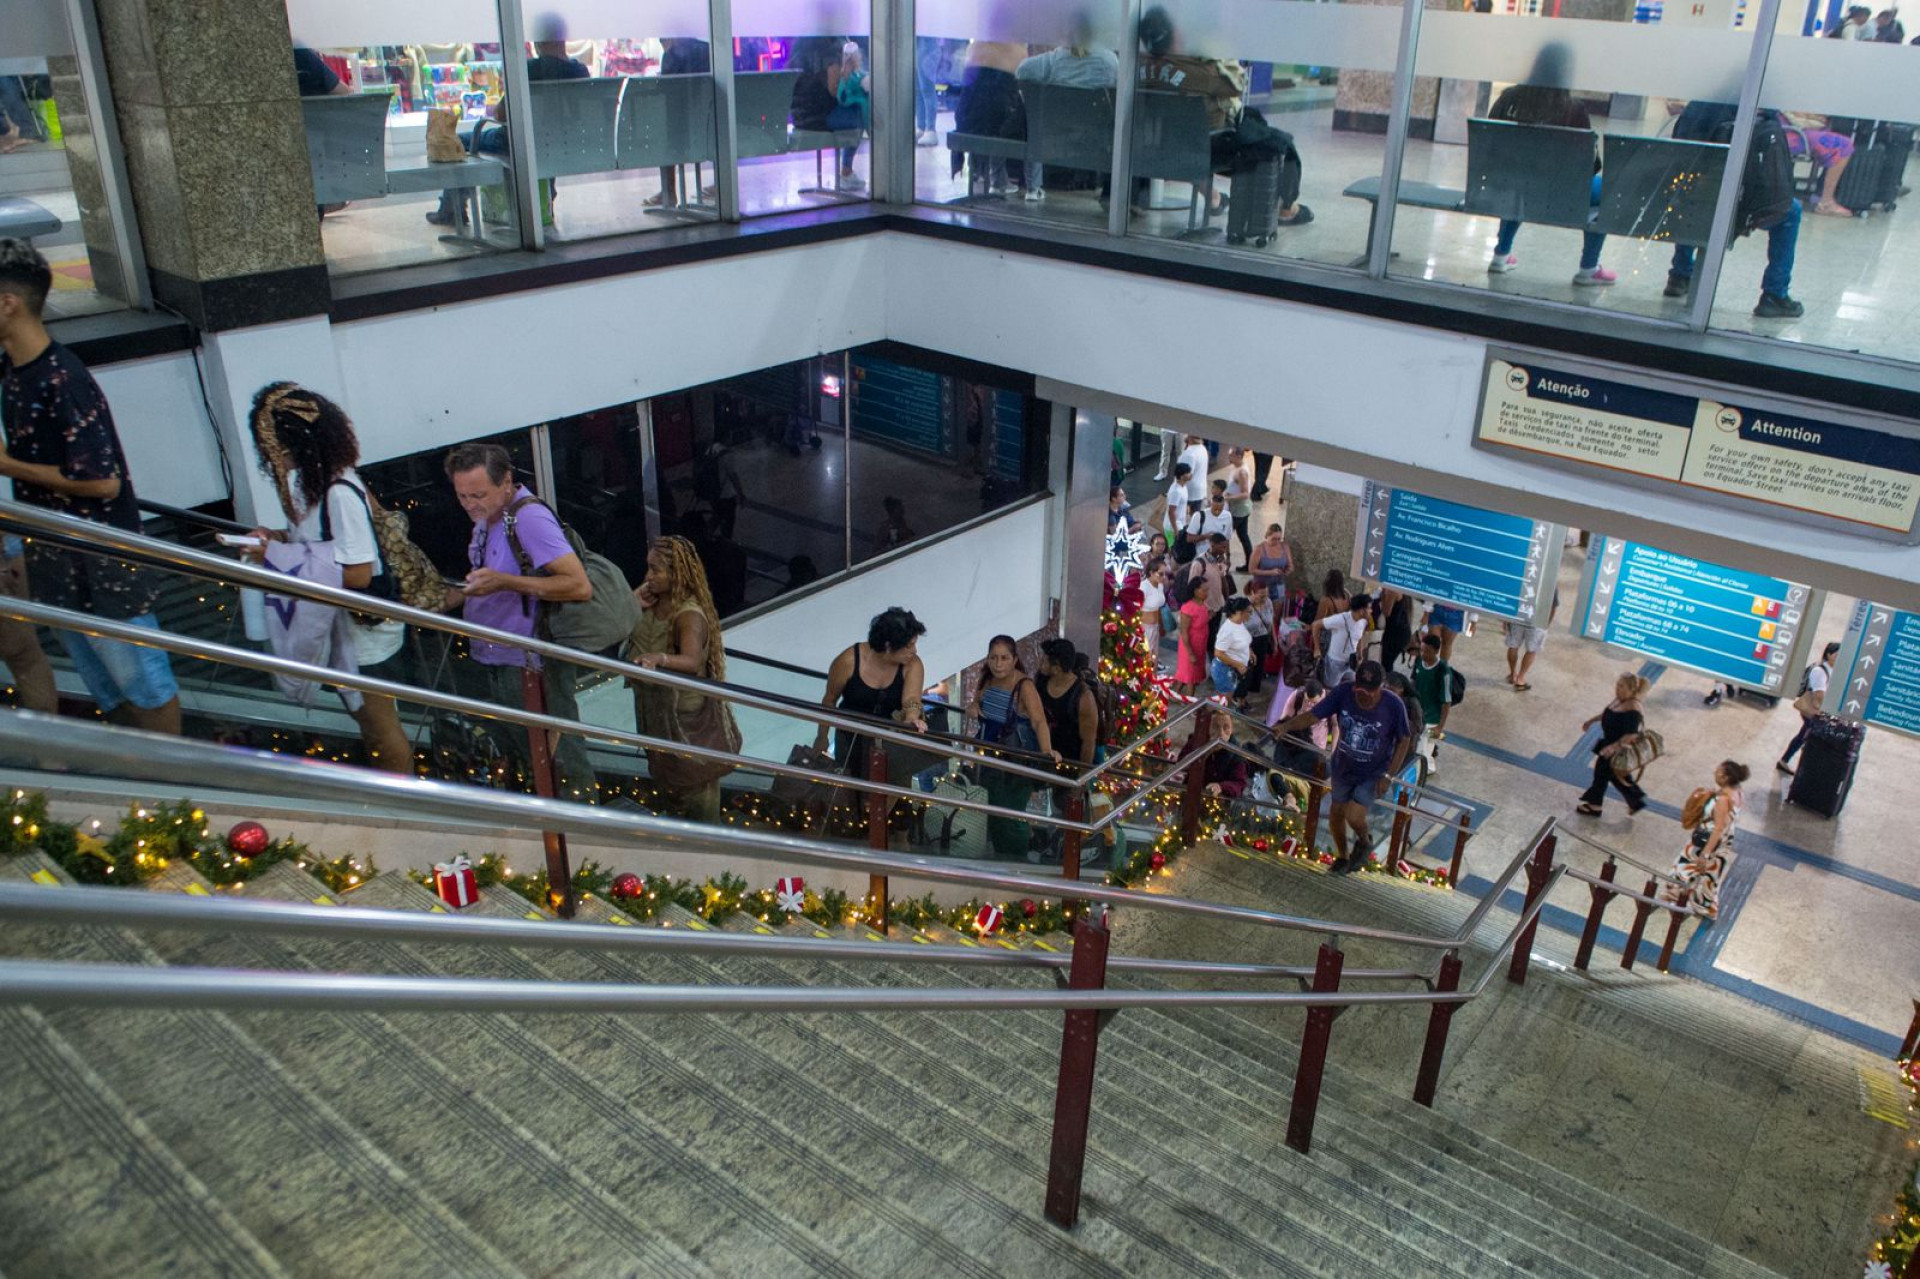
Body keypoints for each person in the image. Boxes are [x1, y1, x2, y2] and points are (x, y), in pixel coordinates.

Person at [0, 240, 180, 734]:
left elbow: (103, 482)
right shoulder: (13, 374)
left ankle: (179, 795)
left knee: (144, 684)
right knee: (108, 688)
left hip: (103, 570)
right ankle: (143, 790)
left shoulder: (63, 380)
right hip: (57, 565)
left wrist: (8, 467)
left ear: (8, 303)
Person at [245, 382, 413, 773]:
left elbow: (356, 573)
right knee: (367, 721)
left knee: (378, 724)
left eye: (273, 446)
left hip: (364, 633)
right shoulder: (311, 485)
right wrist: (278, 538)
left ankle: (402, 801)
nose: (269, 456)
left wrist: (277, 554)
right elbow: (320, 545)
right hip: (341, 627)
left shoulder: (338, 491)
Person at [442, 442, 598, 799]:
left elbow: (578, 585)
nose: (469, 504)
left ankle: (582, 830)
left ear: (506, 481)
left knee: (558, 756)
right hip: (500, 657)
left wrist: (505, 583)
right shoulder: (488, 518)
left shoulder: (529, 518)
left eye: (478, 494)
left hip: (530, 664)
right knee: (529, 753)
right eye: (462, 495)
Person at [1136, 6, 1312, 226]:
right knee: (1281, 143)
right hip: (1210, 147)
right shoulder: (1200, 73)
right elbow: (1238, 84)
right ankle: (1286, 209)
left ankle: (1214, 199)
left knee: (1250, 120)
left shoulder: (1137, 67)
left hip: (1158, 145)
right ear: (1174, 34)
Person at [1483, 45, 1616, 286]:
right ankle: (1589, 267)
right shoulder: (1573, 109)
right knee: (1607, 190)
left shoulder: (1508, 99)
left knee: (1521, 182)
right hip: (1559, 194)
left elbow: (1491, 150)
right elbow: (1589, 166)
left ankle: (1501, 255)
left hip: (1510, 186)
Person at [627, 536, 734, 823]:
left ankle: (706, 856)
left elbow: (693, 660)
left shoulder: (688, 613)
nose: (649, 576)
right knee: (668, 786)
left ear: (677, 574)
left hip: (684, 719)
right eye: (648, 568)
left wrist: (660, 659)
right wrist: (632, 602)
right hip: (656, 712)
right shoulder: (650, 602)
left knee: (697, 793)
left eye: (656, 570)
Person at [1666, 100, 1805, 319]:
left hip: (1681, 201)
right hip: (1728, 206)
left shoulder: (1696, 105)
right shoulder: (1758, 113)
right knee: (1792, 211)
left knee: (1694, 197)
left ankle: (1680, 274)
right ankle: (1774, 294)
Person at [1271, 659, 1410, 874]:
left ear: (1380, 688)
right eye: (1360, 690)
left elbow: (1404, 740)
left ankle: (1364, 841)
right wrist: (1286, 726)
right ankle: (1343, 857)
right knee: (1336, 814)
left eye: (1370, 692)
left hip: (1373, 772)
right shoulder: (1343, 693)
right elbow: (1313, 715)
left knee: (1353, 814)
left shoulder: (1394, 705)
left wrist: (1389, 776)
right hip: (1343, 766)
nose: (1364, 696)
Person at [969, 635, 1058, 858]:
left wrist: (1047, 751)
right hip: (990, 758)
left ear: (1014, 659)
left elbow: (1039, 721)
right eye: (993, 658)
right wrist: (973, 705)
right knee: (995, 812)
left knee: (1010, 814)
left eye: (1004, 658)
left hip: (1015, 761)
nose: (998, 664)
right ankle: (1003, 857)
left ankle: (1017, 859)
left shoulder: (1024, 685)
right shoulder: (987, 679)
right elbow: (980, 702)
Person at [817, 607, 928, 781]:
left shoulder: (912, 664)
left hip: (890, 744)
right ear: (888, 646)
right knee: (848, 792)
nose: (914, 651)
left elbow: (912, 699)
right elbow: (829, 700)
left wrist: (912, 717)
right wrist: (821, 737)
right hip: (850, 739)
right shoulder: (848, 661)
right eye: (909, 646)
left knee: (890, 795)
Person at [1015, 25, 1120, 200]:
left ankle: (1034, 186)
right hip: (1098, 132)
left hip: (1056, 129)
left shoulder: (1054, 59)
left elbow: (1022, 70)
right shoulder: (1109, 60)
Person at [1663, 760, 1749, 921]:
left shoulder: (1723, 799)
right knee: (1709, 877)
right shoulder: (1737, 792)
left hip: (1707, 842)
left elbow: (1717, 828)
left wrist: (1705, 854)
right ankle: (1703, 906)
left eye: (1718, 771)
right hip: (1724, 843)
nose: (1714, 772)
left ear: (1725, 777)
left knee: (1682, 869)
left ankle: (1673, 900)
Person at [950, 39, 1027, 195]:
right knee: (1014, 118)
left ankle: (980, 172)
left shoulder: (974, 47)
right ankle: (1001, 179)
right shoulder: (1017, 51)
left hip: (966, 123)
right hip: (1000, 127)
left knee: (988, 114)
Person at [1576, 672, 1651, 816]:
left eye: (1621, 686)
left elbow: (1631, 734)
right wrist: (1591, 720)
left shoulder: (1633, 709)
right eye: (1617, 685)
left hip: (1617, 748)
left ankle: (1595, 806)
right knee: (1614, 776)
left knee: (1602, 775)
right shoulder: (1620, 700)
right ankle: (1636, 800)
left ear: (1631, 690)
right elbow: (1607, 713)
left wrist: (1612, 748)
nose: (1617, 688)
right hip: (1608, 743)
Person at [0, 537, 53, 713]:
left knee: (23, 654)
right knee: (25, 656)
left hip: (7, 552)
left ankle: (44, 730)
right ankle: (44, 731)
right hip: (8, 550)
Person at [1777, 640, 1842, 775]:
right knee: (1808, 738)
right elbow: (1819, 695)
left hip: (1817, 711)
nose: (1838, 659)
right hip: (1812, 710)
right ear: (1829, 654)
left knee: (1804, 736)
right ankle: (1798, 766)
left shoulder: (1831, 670)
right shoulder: (1820, 671)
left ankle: (1785, 761)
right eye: (1836, 655)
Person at [1037, 638, 1100, 769]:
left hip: (1068, 764)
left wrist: (1081, 777)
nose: (1040, 664)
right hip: (1042, 756)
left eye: (1044, 661)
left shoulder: (1083, 698)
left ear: (1056, 669)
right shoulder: (1041, 680)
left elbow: (1088, 743)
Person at [1781, 113, 1859, 217]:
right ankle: (1826, 202)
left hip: (1787, 126)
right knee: (1844, 145)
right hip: (1790, 131)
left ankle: (1823, 197)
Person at [829, 43, 871, 190]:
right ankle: (846, 171)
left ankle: (847, 170)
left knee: (853, 139)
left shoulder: (857, 75)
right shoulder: (847, 77)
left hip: (856, 117)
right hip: (851, 119)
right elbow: (843, 97)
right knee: (851, 139)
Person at [1408, 632, 1452, 772]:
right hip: (1418, 713)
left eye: (1427, 651)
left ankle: (1421, 773)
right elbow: (1413, 682)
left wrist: (1440, 726)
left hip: (1432, 718)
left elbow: (1446, 702)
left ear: (1436, 651)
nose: (1422, 654)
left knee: (1422, 749)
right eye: (1421, 650)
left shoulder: (1443, 671)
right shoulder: (1419, 662)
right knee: (1424, 747)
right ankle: (1428, 768)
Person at [1502, 588, 1558, 692]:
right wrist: (1547, 623)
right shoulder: (1550, 578)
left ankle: (1512, 674)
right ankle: (1520, 678)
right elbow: (1553, 605)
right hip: (1537, 619)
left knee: (1513, 646)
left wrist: (1506, 617)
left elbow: (1511, 596)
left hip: (1518, 615)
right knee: (1532, 650)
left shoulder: (1522, 572)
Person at [1317, 591, 1370, 687]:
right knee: (1330, 687)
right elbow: (1315, 625)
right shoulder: (1340, 619)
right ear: (1362, 611)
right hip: (1335, 663)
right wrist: (1316, 649)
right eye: (1369, 608)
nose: (1371, 611)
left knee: (1349, 685)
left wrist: (1360, 654)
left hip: (1350, 662)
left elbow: (1360, 637)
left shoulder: (1363, 621)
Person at [1212, 595, 1254, 701]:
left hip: (1233, 669)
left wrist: (1250, 652)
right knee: (1223, 700)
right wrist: (1238, 664)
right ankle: (1207, 713)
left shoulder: (1240, 623)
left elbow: (1243, 640)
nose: (1251, 615)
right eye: (1249, 612)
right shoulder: (1227, 630)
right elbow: (1218, 653)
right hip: (1224, 670)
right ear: (1240, 612)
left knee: (1226, 699)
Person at [1174, 578, 1212, 697]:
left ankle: (1174, 694)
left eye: (1207, 590)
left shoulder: (1203, 604)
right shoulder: (1188, 607)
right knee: (1189, 676)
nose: (1207, 593)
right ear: (1195, 591)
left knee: (1190, 674)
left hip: (1200, 645)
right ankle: (1190, 705)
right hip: (1189, 645)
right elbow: (1184, 631)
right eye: (1204, 590)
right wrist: (1190, 653)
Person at [1242, 578, 1275, 700]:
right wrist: (1248, 648)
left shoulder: (1268, 603)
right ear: (1252, 593)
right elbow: (1239, 629)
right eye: (1261, 596)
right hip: (1248, 641)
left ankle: (1253, 691)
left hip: (1263, 638)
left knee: (1259, 666)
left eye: (1266, 595)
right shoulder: (1244, 606)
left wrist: (1274, 641)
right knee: (1248, 669)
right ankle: (1242, 696)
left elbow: (1271, 624)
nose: (1264, 599)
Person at [1223, 447, 1255, 567]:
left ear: (1239, 456)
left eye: (1231, 455)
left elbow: (1245, 493)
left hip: (1238, 510)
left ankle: (1226, 561)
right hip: (1240, 509)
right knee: (1243, 536)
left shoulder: (1242, 472)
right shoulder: (1236, 467)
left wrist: (1227, 498)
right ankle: (1250, 563)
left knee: (1225, 535)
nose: (1229, 457)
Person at [1185, 481, 1233, 551]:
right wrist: (1205, 536)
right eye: (1215, 509)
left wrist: (1228, 556)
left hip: (1218, 556)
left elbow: (1227, 540)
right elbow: (1189, 538)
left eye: (1220, 510)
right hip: (1201, 556)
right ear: (1211, 505)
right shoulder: (1198, 516)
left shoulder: (1227, 516)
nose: (1217, 512)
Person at [1247, 523, 1292, 595]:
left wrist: (1288, 570)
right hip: (1261, 586)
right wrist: (1270, 572)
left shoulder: (1285, 547)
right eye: (1273, 539)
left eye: (1279, 539)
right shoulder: (1259, 549)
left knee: (1278, 604)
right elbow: (1251, 570)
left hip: (1279, 584)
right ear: (1267, 536)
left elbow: (1290, 565)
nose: (1276, 542)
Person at [1140, 556, 1169, 659]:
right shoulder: (1144, 587)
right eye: (1161, 574)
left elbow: (1158, 607)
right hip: (1144, 628)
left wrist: (1160, 624)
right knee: (1145, 657)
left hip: (1155, 626)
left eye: (1165, 574)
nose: (1164, 577)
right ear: (1151, 573)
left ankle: (1154, 675)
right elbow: (1137, 610)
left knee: (1154, 656)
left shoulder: (1159, 585)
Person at [1163, 462, 1194, 560]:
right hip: (1172, 527)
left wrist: (1186, 507)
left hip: (1180, 524)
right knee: (1172, 550)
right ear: (1181, 475)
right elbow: (1171, 511)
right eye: (1188, 472)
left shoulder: (1183, 486)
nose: (1190, 474)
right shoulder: (1176, 491)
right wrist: (1176, 529)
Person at [1178, 434, 1212, 506]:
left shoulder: (1189, 454)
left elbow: (1187, 476)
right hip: (1200, 491)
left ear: (1190, 437)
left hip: (1190, 494)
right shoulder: (1203, 448)